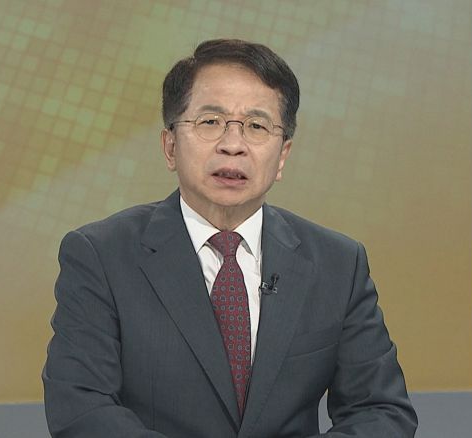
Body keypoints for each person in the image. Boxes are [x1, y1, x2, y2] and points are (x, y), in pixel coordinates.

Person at [42, 39, 417, 438]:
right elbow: (82, 409)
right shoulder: (101, 256)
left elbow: (381, 411)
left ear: (282, 156)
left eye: (257, 126)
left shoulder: (337, 263)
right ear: (170, 146)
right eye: (210, 122)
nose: (233, 145)